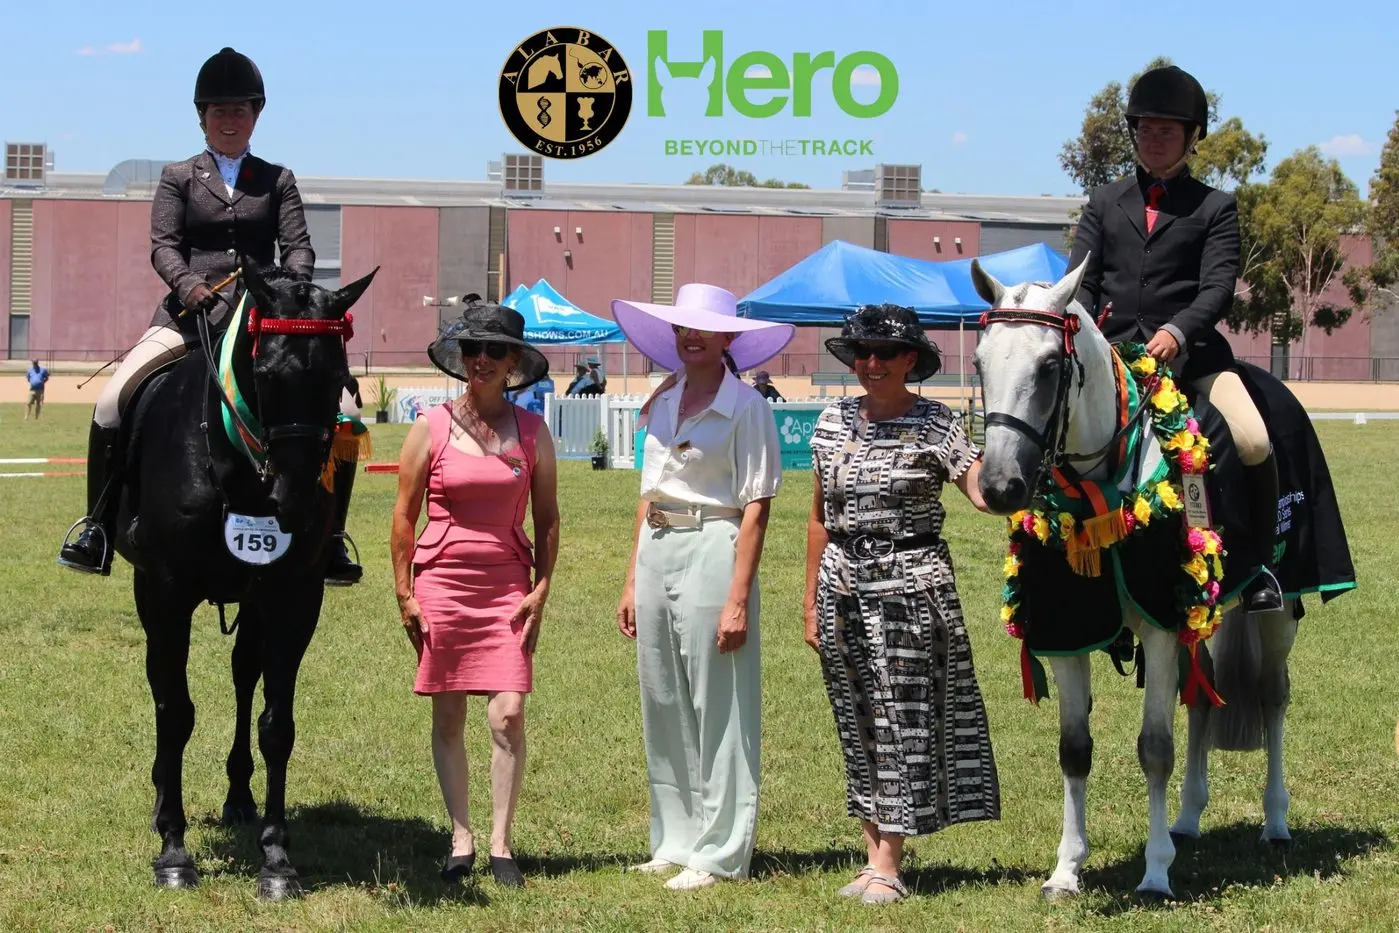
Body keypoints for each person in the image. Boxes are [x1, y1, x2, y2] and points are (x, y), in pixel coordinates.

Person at [56, 47, 365, 584]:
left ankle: (332, 537)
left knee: (341, 412)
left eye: (239, 110)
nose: (229, 120)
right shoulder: (178, 177)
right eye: (218, 111)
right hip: (186, 315)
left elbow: (299, 250)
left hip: (262, 319)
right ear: (202, 117)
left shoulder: (278, 179)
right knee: (112, 399)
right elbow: (163, 245)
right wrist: (188, 284)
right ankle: (98, 526)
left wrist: (285, 290)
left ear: (255, 116)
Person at [805, 304, 1001, 906]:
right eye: (861, 351)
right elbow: (817, 516)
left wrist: (1016, 452)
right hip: (841, 583)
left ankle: (889, 861)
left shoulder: (938, 424)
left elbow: (984, 494)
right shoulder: (832, 420)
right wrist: (810, 602)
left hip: (912, 586)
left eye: (884, 353)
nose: (870, 363)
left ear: (911, 360)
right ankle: (872, 857)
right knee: (857, 716)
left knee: (903, 722)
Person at [1068, 64, 1281, 615]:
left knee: (1253, 439)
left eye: (1167, 130)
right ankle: (1060, 557)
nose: (1154, 139)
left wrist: (1177, 331)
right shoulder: (1103, 201)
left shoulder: (1215, 208)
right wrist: (1089, 341)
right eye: (1145, 129)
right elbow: (1083, 283)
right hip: (1111, 357)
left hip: (1192, 359)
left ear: (1191, 137)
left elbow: (1217, 288)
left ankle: (1260, 566)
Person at [610, 284, 793, 891]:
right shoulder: (663, 402)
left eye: (705, 330)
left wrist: (739, 597)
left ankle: (720, 851)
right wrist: (633, 578)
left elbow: (758, 508)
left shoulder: (748, 408)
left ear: (728, 339)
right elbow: (649, 492)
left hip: (716, 544)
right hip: (657, 548)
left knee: (720, 701)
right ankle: (676, 837)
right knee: (662, 697)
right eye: (684, 329)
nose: (692, 338)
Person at [391, 297, 558, 889]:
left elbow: (549, 518)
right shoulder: (430, 426)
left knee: (508, 713)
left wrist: (541, 588)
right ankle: (461, 835)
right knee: (449, 712)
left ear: (513, 361)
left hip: (507, 585)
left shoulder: (533, 432)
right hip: (441, 582)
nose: (480, 360)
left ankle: (501, 842)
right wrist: (404, 593)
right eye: (471, 349)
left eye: (493, 350)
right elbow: (404, 515)